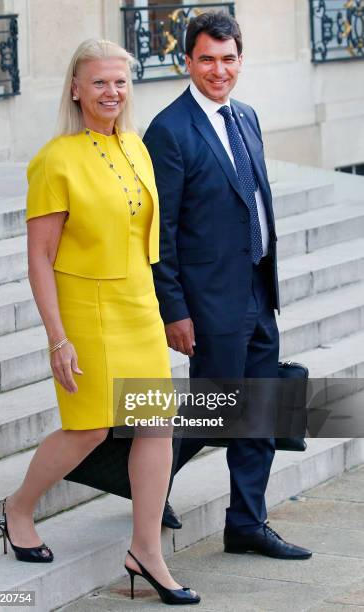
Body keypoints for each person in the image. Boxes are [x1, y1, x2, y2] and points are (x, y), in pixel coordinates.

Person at [0, 39, 199, 606]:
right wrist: (56, 338)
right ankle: (17, 508)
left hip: (137, 304)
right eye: (100, 82)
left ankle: (145, 552)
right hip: (85, 309)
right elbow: (39, 257)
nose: (112, 92)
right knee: (88, 426)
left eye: (121, 82)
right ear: (76, 89)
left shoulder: (136, 146)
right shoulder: (54, 160)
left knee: (156, 426)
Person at [144, 12, 312, 560]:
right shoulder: (168, 130)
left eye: (229, 58)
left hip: (259, 293)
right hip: (210, 303)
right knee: (210, 411)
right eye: (208, 59)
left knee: (257, 410)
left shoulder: (248, 117)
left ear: (241, 60)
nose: (219, 70)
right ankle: (141, 483)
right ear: (187, 61)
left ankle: (246, 522)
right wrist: (174, 309)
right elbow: (159, 233)